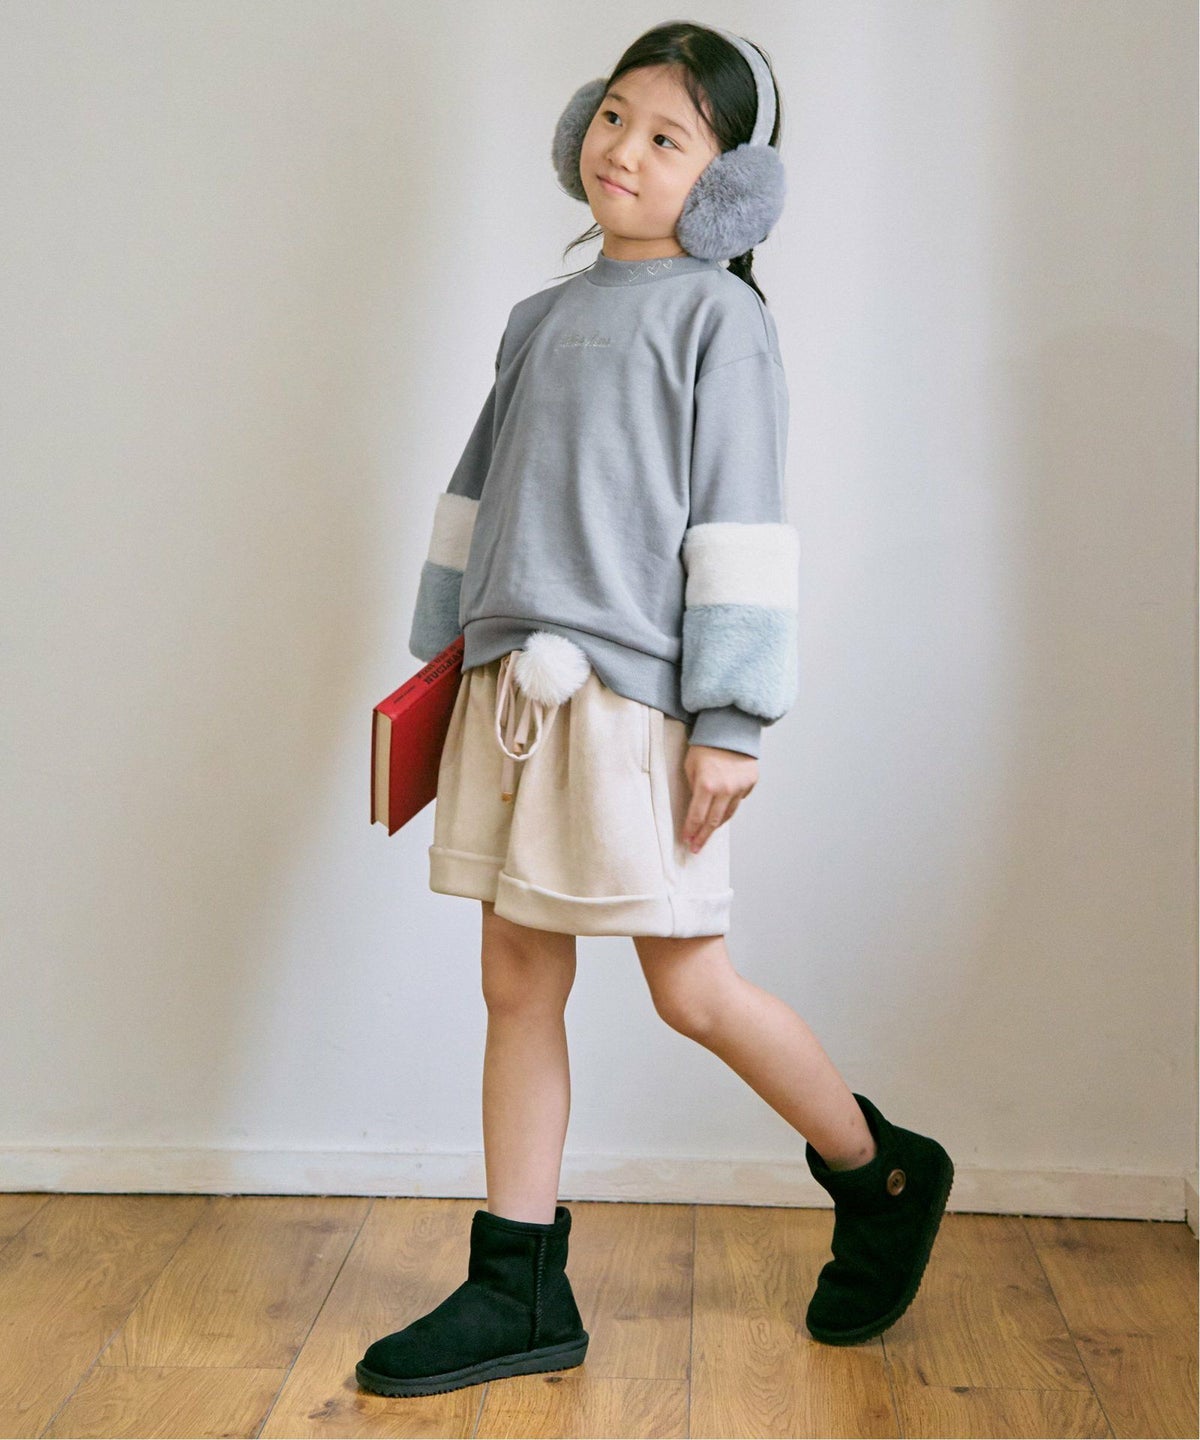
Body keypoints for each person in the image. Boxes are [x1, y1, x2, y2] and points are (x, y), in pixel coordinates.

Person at [357, 20, 954, 1400]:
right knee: (517, 978)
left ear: (729, 185)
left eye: (668, 135)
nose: (623, 148)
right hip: (511, 692)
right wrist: (442, 659)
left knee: (690, 986)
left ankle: (880, 1172)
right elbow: (477, 492)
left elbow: (742, 527)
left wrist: (732, 721)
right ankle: (517, 1282)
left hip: (632, 703)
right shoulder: (538, 319)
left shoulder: (720, 322)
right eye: (615, 115)